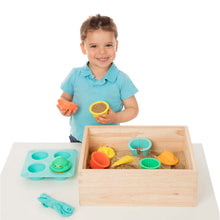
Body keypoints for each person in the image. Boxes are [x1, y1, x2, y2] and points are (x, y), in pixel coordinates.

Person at [57, 14, 139, 143]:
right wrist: (65, 108)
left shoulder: (121, 79)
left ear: (116, 46)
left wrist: (115, 117)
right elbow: (65, 98)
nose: (102, 52)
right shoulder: (75, 75)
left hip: (109, 140)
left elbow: (133, 110)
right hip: (79, 138)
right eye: (94, 46)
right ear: (83, 48)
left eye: (108, 45)